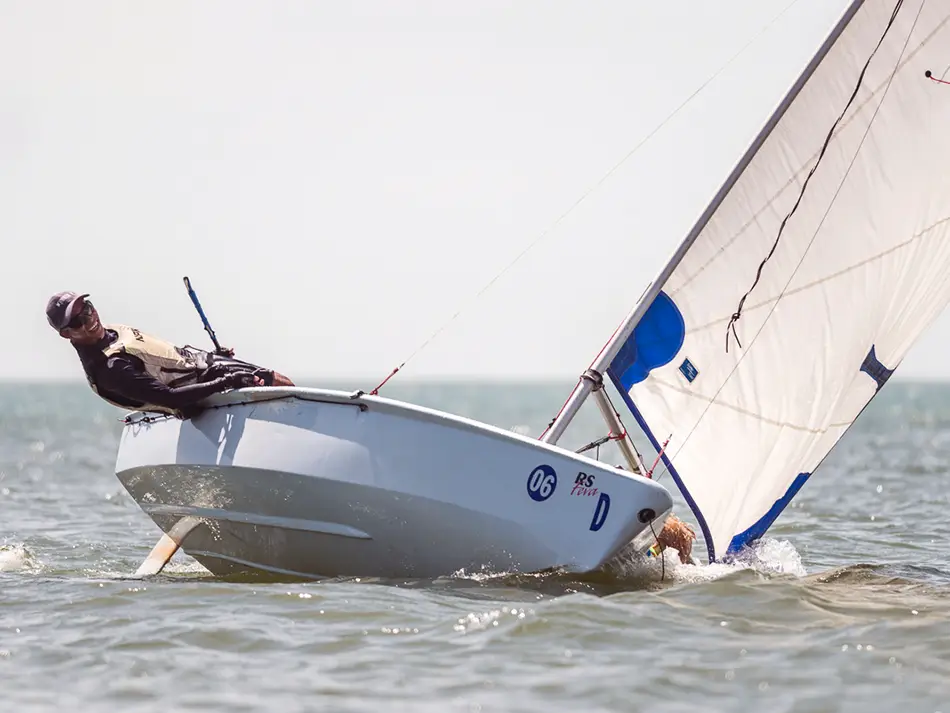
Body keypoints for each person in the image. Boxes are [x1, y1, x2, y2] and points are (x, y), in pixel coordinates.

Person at [46, 290, 294, 419]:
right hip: (204, 385)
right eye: (78, 320)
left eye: (88, 308)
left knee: (279, 383)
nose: (90, 317)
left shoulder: (112, 333)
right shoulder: (111, 368)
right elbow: (170, 398)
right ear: (67, 334)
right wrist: (227, 381)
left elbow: (165, 359)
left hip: (204, 365)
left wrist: (215, 355)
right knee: (276, 382)